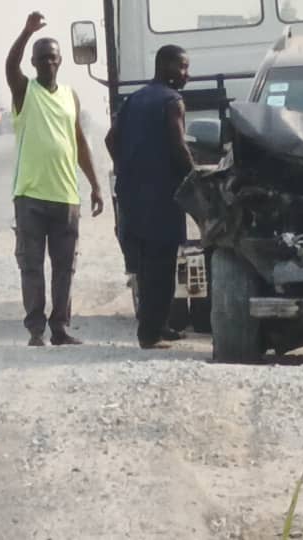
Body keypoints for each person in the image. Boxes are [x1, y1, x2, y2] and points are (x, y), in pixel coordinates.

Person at [5, 11, 104, 347]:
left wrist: (95, 185)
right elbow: (9, 66)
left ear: (61, 61)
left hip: (66, 197)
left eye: (53, 57)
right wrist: (25, 31)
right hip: (30, 196)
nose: (48, 62)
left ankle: (60, 328)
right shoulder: (24, 91)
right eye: (42, 58)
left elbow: (79, 142)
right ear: (33, 63)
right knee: (31, 267)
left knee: (65, 269)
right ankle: (36, 330)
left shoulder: (70, 96)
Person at [105, 45, 194, 349]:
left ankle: (159, 324)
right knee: (162, 267)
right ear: (166, 66)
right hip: (161, 196)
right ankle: (149, 334)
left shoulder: (135, 99)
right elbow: (179, 147)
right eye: (182, 67)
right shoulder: (173, 101)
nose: (187, 74)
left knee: (145, 266)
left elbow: (110, 139)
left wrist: (126, 167)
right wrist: (195, 178)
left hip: (133, 195)